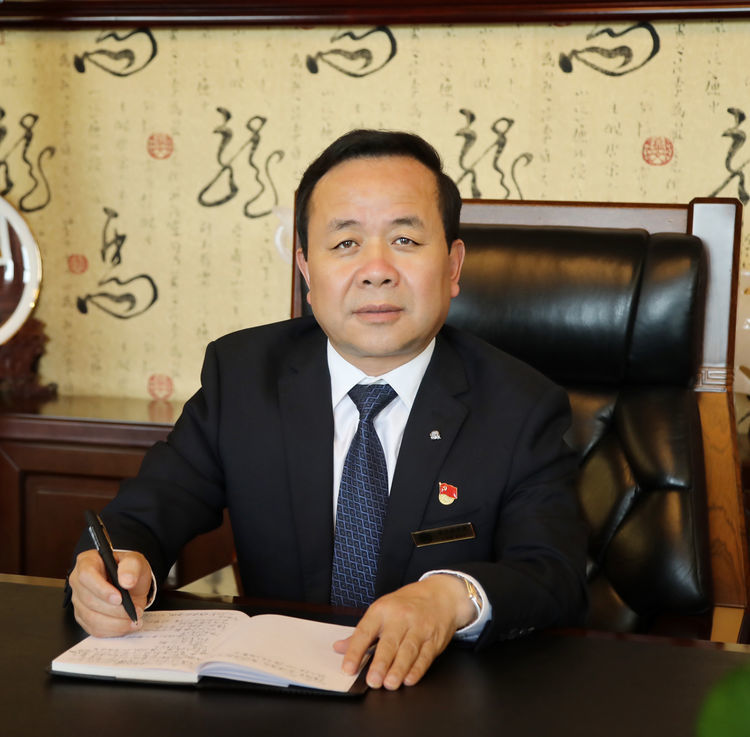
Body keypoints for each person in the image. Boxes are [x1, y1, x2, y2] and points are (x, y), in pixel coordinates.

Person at [67, 129, 588, 690]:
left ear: (453, 265)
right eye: (345, 243)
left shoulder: (520, 405)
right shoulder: (243, 376)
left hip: (437, 696)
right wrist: (111, 568)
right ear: (307, 270)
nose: (376, 269)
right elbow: (146, 513)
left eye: (406, 240)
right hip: (274, 699)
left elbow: (553, 574)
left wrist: (451, 596)